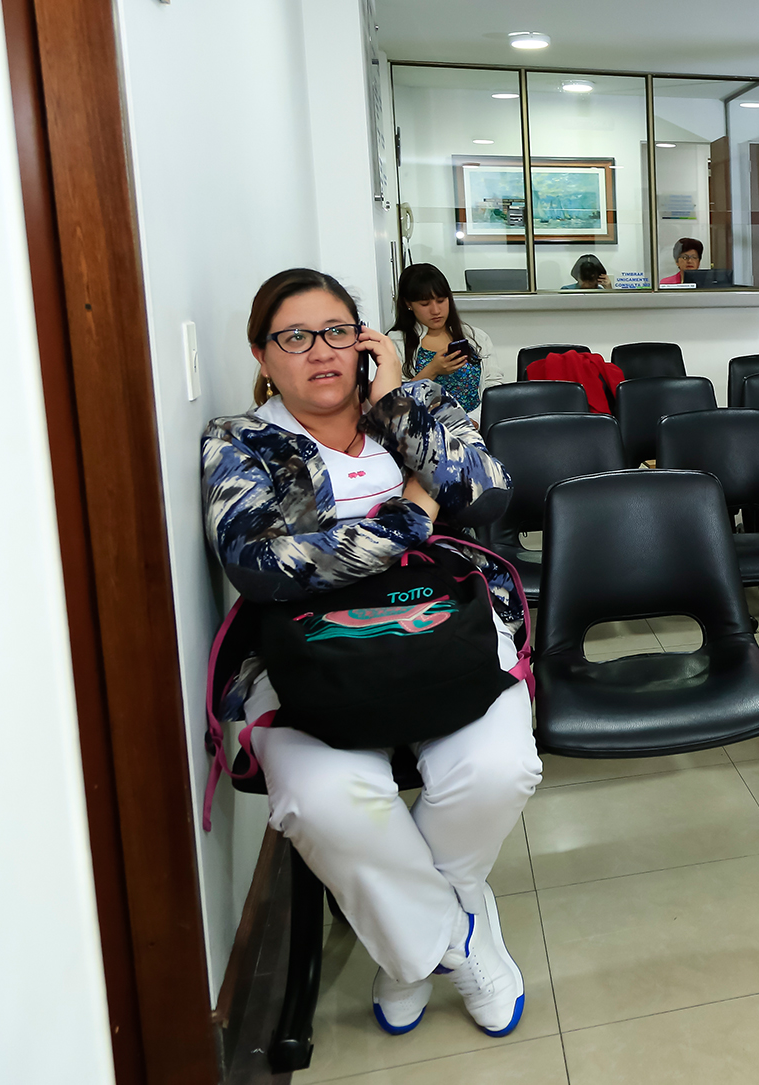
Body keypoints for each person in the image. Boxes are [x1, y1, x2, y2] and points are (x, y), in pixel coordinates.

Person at [204, 268, 542, 1036]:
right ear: (262, 353)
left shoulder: (412, 406)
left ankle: (404, 951)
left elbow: (486, 489)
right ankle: (453, 939)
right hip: (310, 657)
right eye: (295, 336)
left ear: (364, 340)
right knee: (324, 800)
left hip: (443, 633)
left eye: (337, 331)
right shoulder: (240, 440)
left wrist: (397, 401)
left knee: (499, 769)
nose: (321, 351)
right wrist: (410, 518)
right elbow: (262, 563)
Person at [386, 263, 505, 423]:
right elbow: (392, 403)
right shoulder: (395, 343)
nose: (435, 310)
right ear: (408, 304)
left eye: (441, 300)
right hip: (421, 431)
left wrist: (473, 421)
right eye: (425, 304)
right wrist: (432, 370)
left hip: (475, 428)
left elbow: (494, 389)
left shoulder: (476, 338)